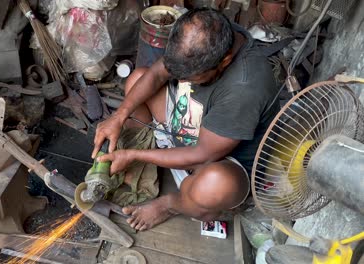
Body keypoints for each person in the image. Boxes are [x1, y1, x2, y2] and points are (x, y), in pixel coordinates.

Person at [92, 8, 279, 231]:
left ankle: (171, 204)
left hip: (216, 159)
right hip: (190, 126)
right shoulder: (207, 35)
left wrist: (133, 155)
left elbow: (202, 154)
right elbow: (158, 74)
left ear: (225, 60)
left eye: (192, 78)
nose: (180, 80)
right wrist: (118, 116)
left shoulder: (245, 86)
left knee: (217, 184)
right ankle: (141, 154)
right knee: (138, 79)